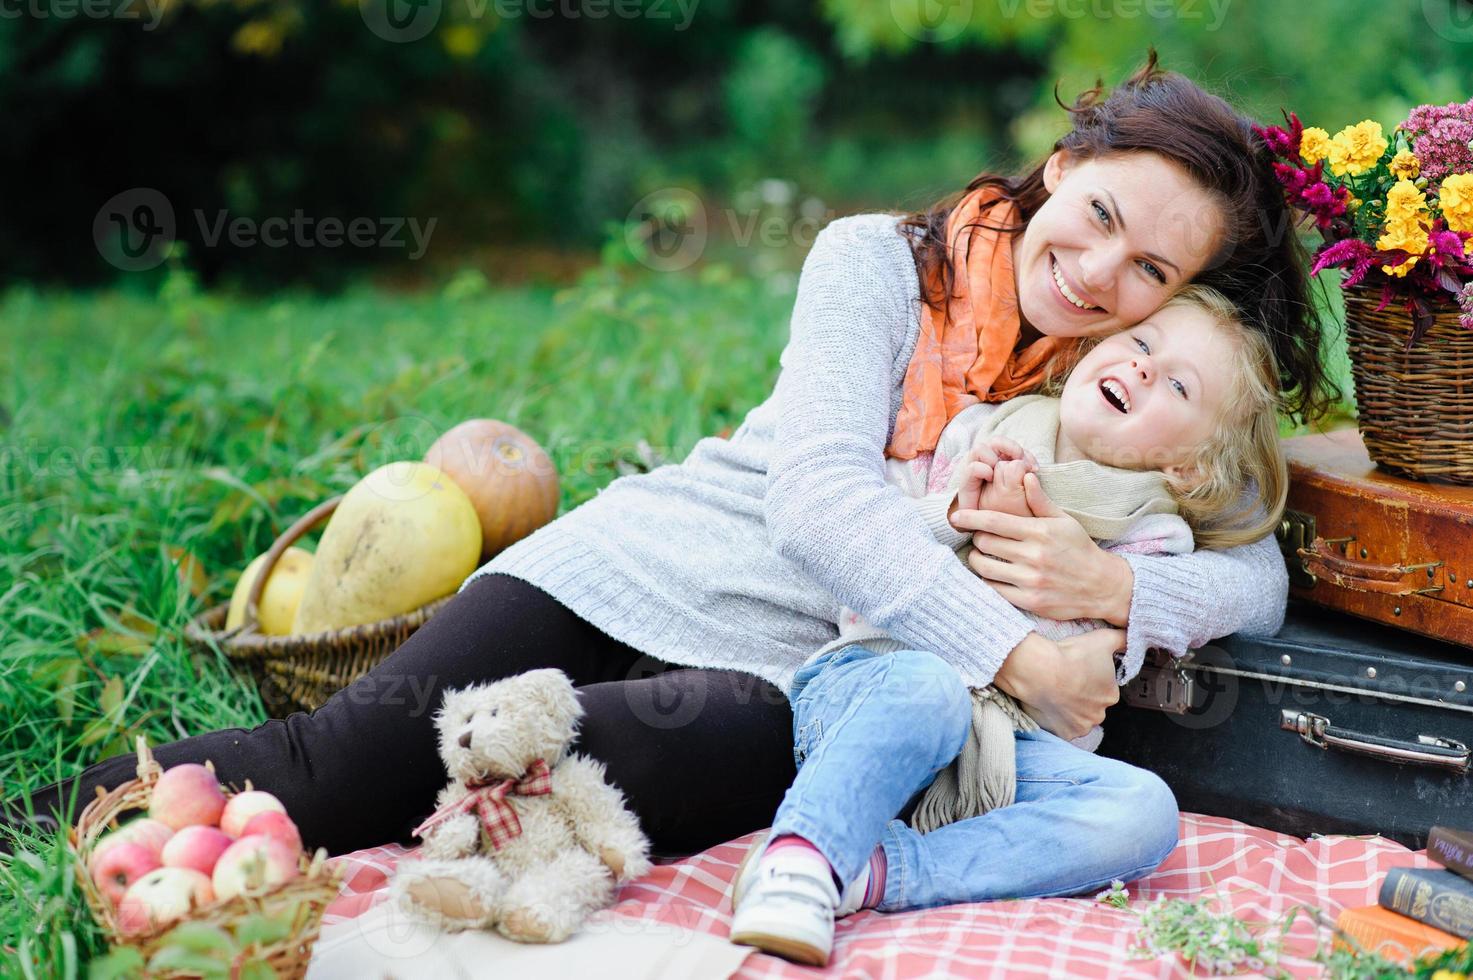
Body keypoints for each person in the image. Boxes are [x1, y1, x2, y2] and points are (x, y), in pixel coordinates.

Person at [3, 54, 1331, 879]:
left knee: (748, 742)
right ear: (1062, 163)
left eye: (1149, 269)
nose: (1098, 276)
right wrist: (1016, 651)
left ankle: (482, 828)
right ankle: (35, 825)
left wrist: (1112, 591)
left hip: (768, 676)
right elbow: (817, 503)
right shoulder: (878, 261)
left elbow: (1258, 571)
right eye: (1098, 216)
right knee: (343, 765)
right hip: (645, 565)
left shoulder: (1122, 398)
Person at [726, 283, 1288, 966]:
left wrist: (1107, 600)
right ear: (1092, 349)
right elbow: (865, 557)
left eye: (1177, 385)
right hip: (876, 691)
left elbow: (1108, 659)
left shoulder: (1154, 538)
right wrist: (952, 511)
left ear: (1188, 467)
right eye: (1140, 344)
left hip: (1004, 743)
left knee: (1141, 811)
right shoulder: (979, 432)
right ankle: (798, 860)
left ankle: (877, 870)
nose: (1143, 367)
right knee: (926, 685)